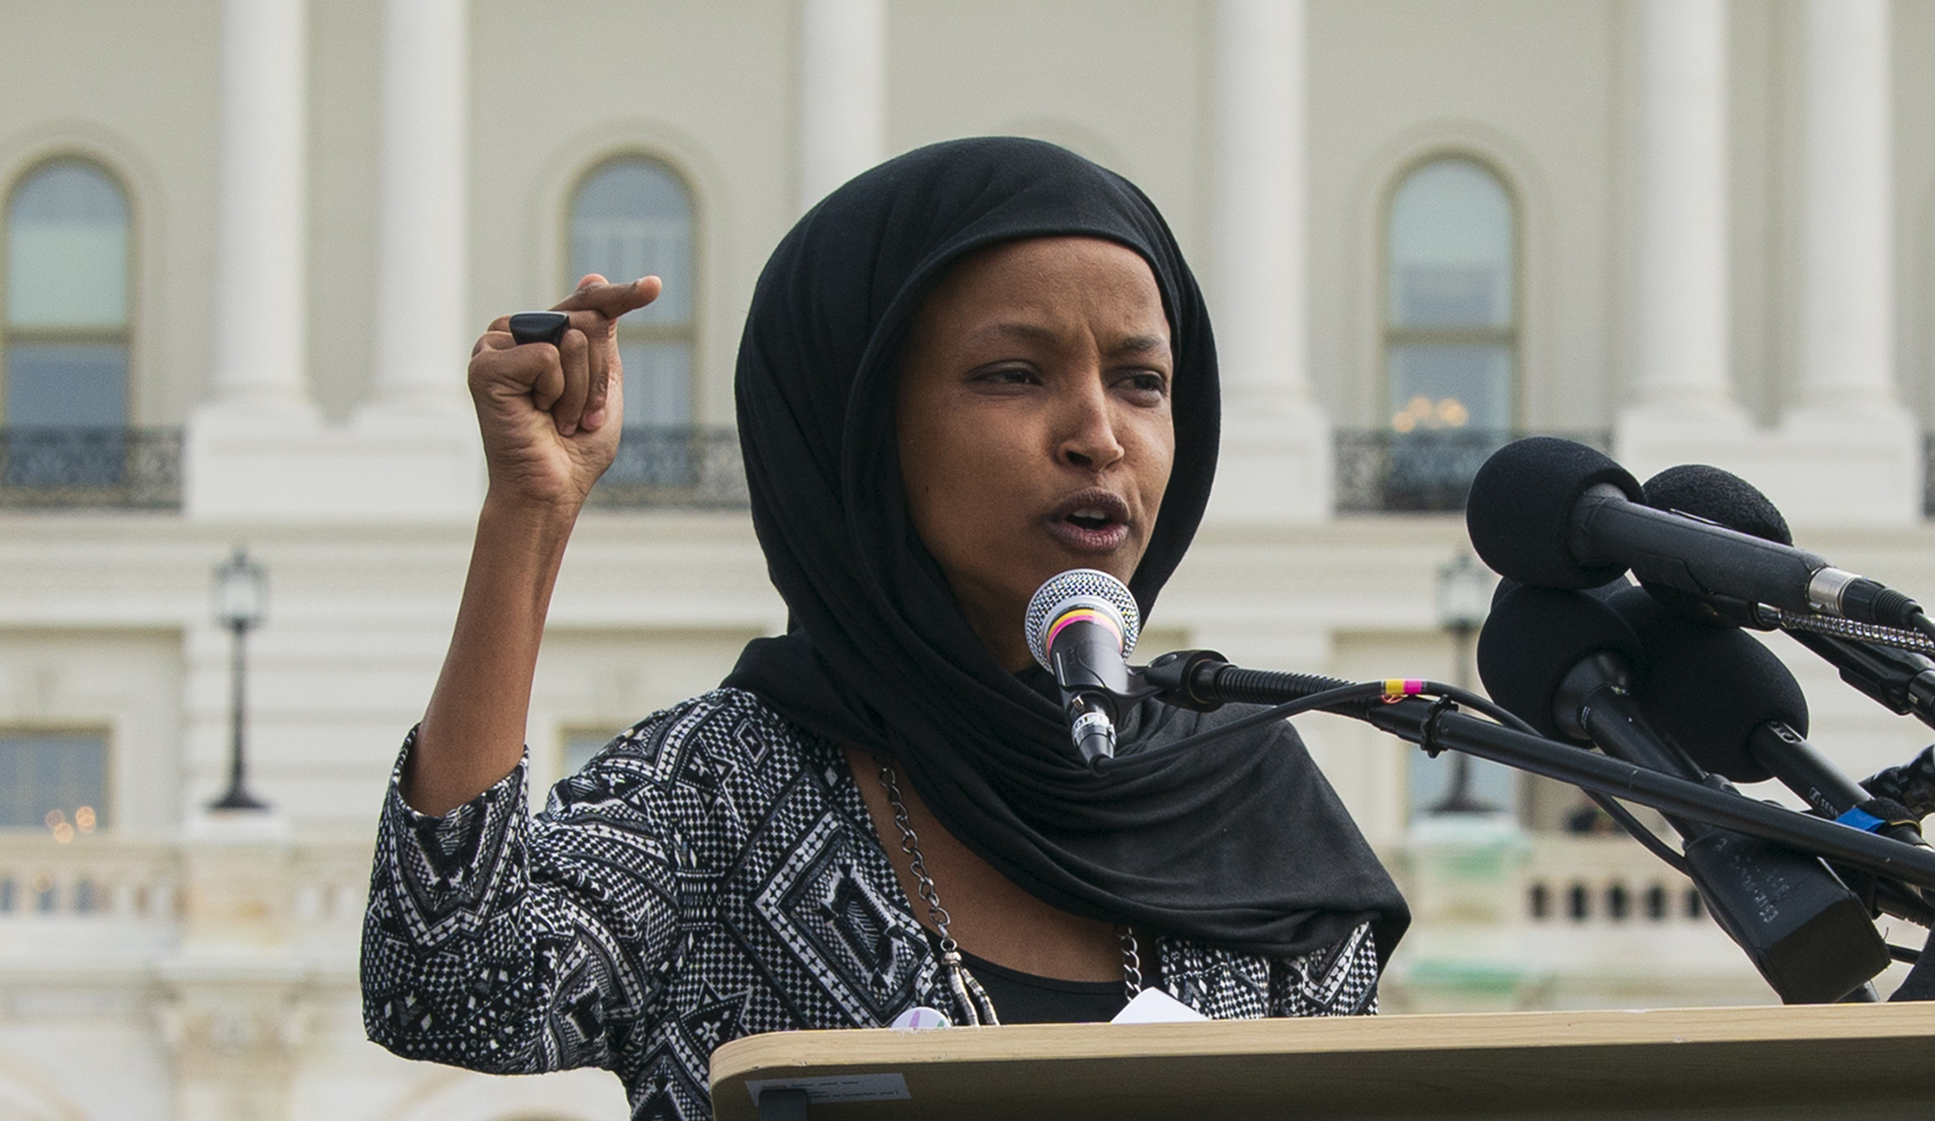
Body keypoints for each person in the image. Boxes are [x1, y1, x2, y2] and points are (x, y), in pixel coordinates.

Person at [361, 138, 1407, 1119]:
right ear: (863, 426)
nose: (1100, 435)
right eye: (1014, 374)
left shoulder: (1245, 793)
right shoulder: (724, 785)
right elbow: (451, 985)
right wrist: (530, 511)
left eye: (1142, 381)